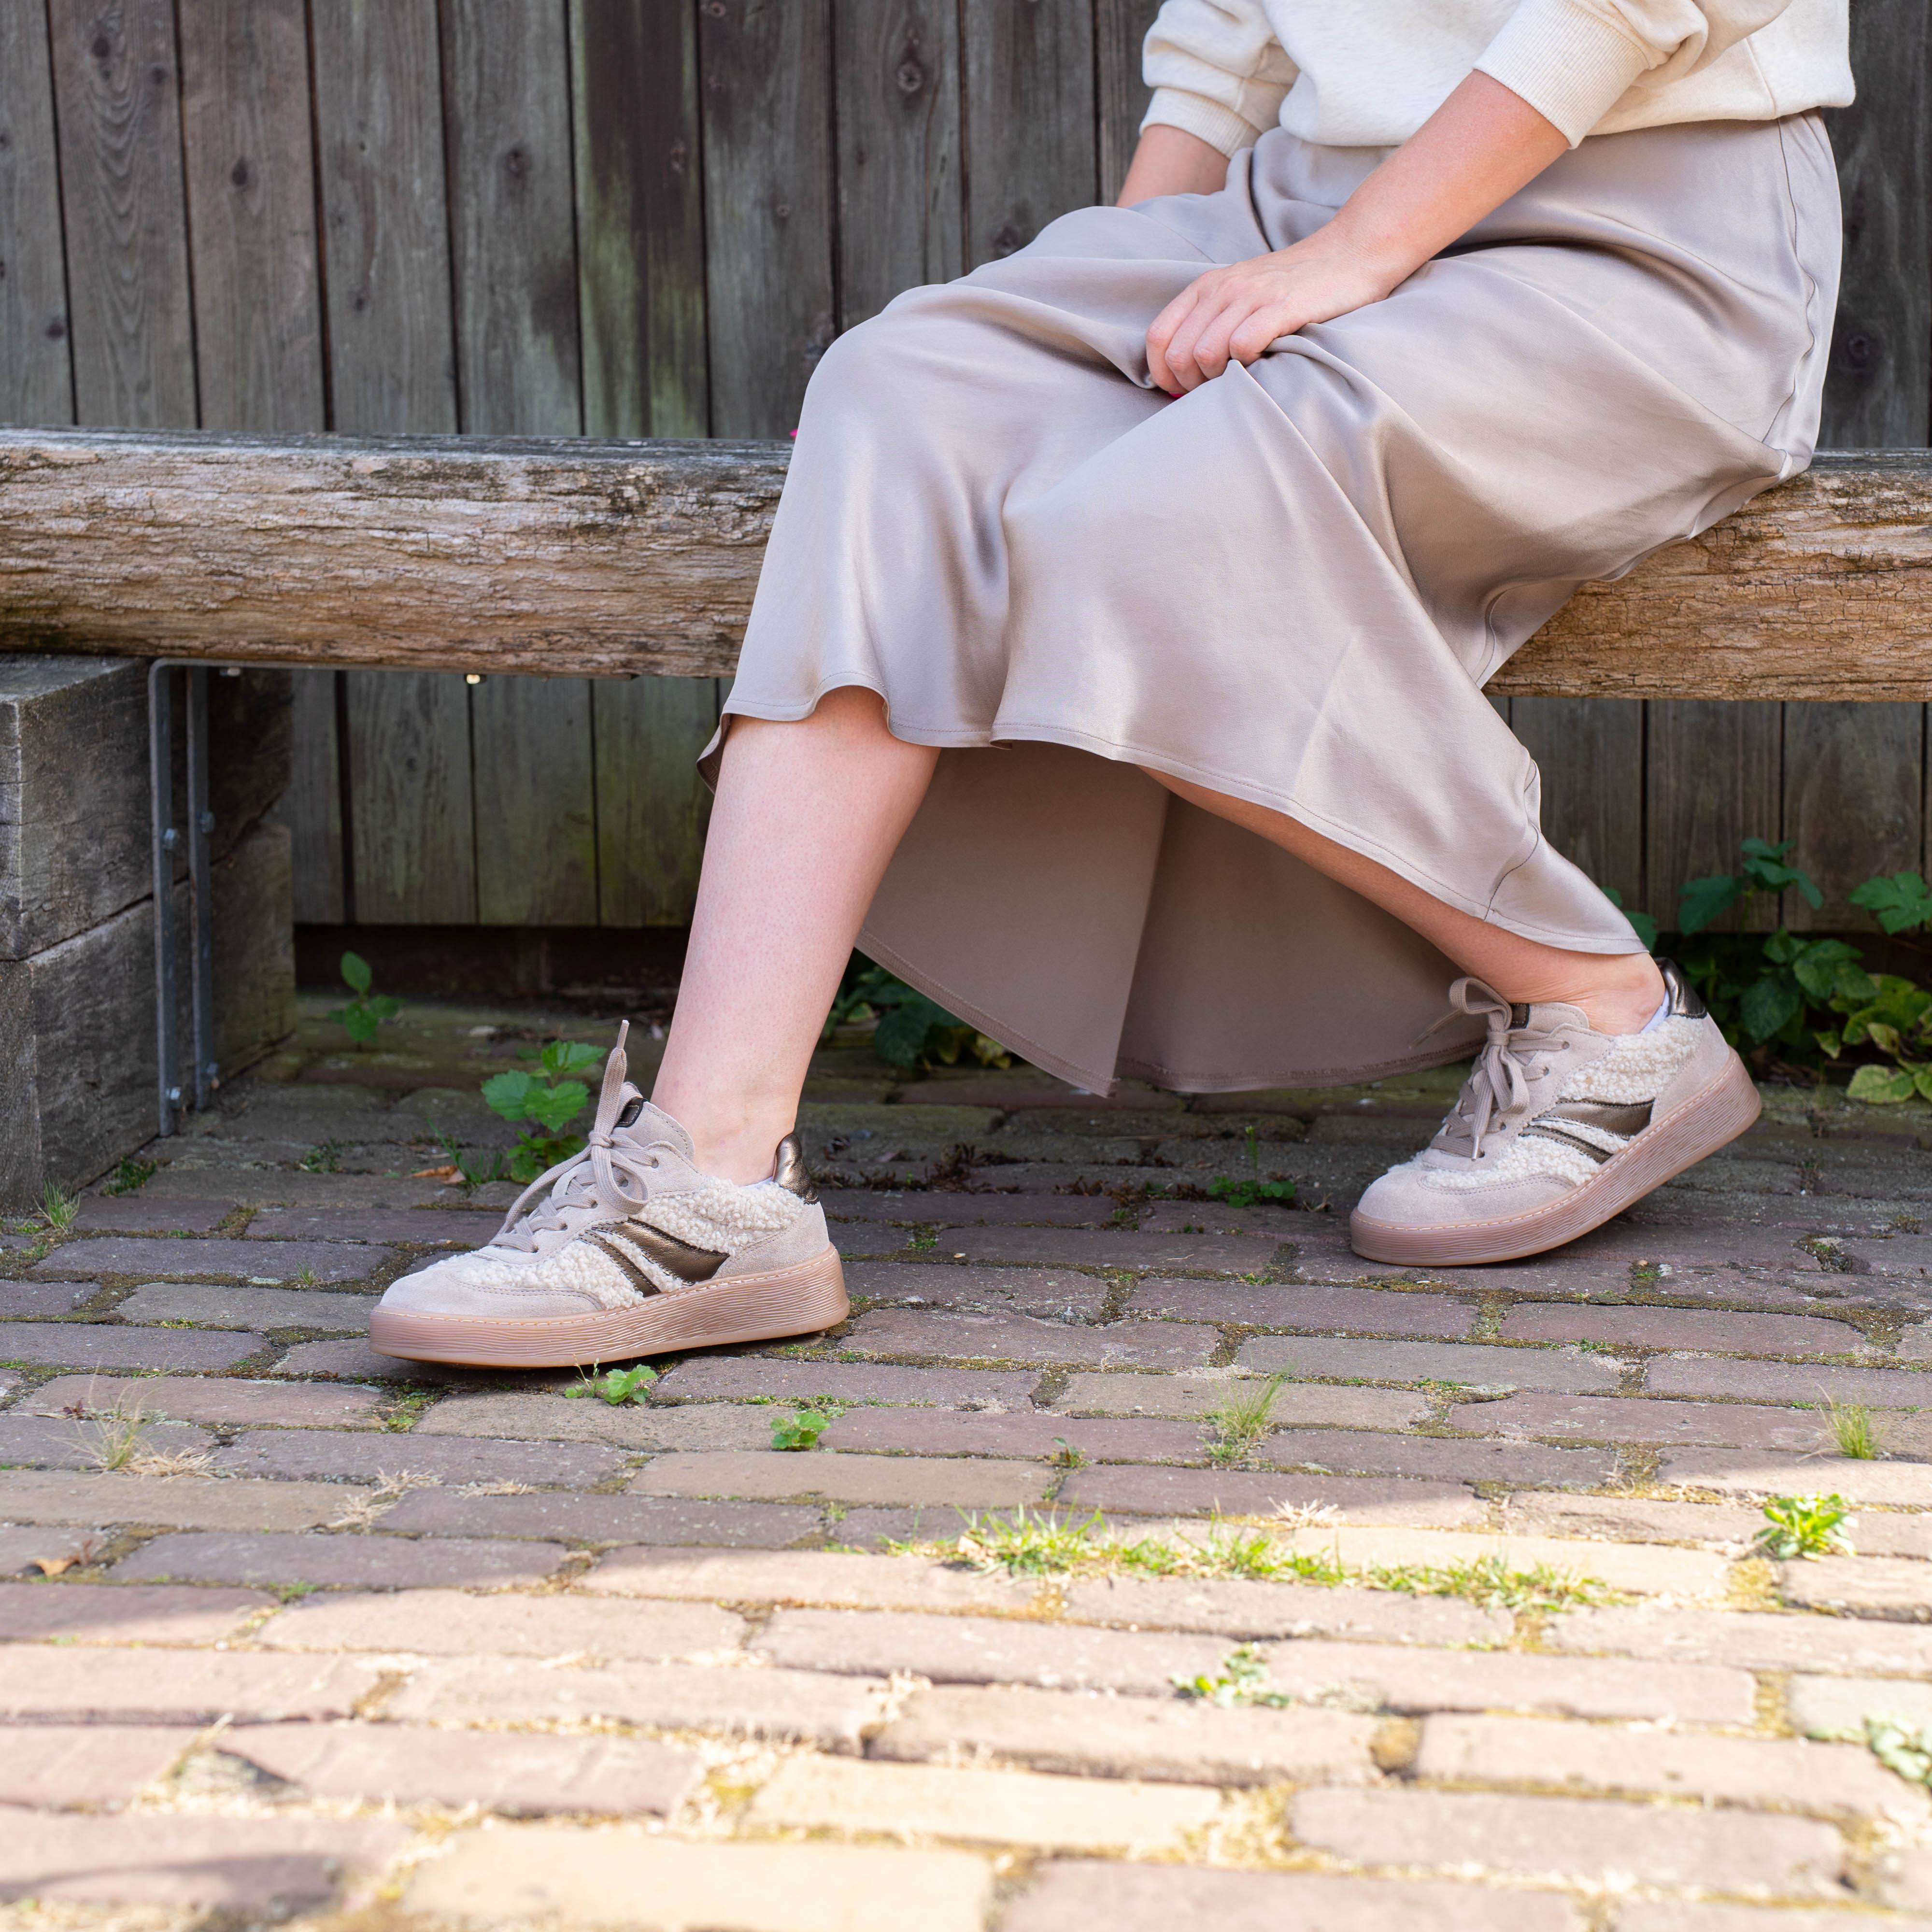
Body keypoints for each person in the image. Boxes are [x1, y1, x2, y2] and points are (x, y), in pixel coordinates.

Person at [369, 0, 1851, 1370]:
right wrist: (1120, 302)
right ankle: (709, 1183)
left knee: (1154, 518)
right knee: (906, 399)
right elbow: (1229, 28)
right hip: (1296, 203)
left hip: (1643, 238)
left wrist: (1357, 254)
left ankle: (1599, 1008)